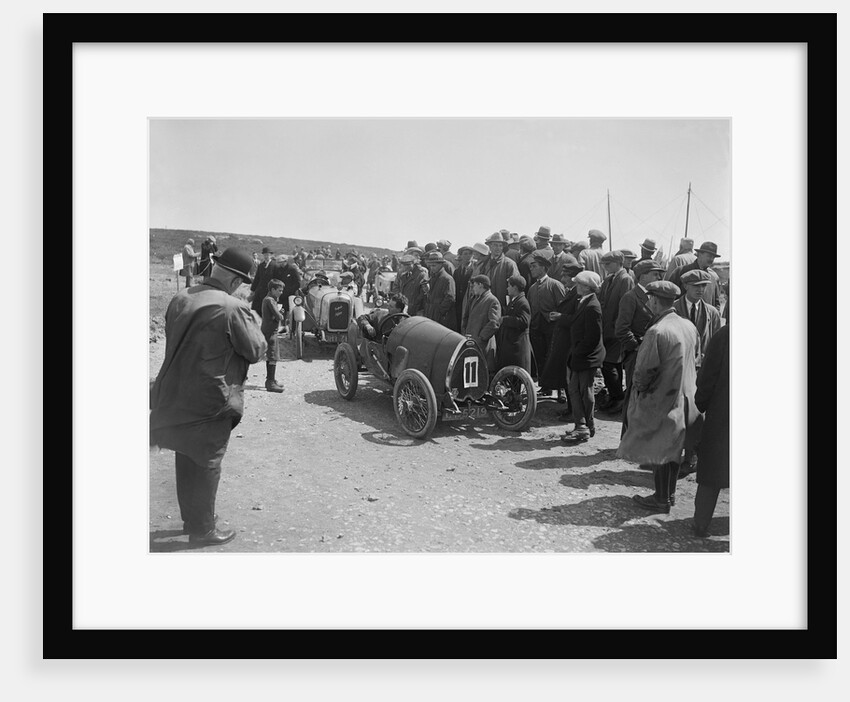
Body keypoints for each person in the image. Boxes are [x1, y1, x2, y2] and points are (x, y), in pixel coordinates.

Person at [150, 247, 267, 546]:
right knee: (207, 461)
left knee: (185, 455)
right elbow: (255, 350)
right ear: (235, 281)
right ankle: (202, 531)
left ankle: (195, 519)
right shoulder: (232, 307)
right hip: (211, 399)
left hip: (174, 394)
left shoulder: (181, 297)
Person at [617, 280, 700, 514]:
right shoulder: (687, 325)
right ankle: (669, 496)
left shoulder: (657, 331)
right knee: (674, 449)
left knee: (659, 449)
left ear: (654, 301)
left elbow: (643, 372)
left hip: (662, 399)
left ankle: (661, 499)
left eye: (650, 298)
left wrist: (639, 391)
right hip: (685, 397)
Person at [615, 259, 666, 432]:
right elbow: (621, 329)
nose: (658, 276)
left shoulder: (656, 296)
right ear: (643, 276)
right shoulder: (630, 297)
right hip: (636, 355)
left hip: (656, 353)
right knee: (633, 396)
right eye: (655, 273)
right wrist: (637, 347)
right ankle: (627, 437)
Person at [692, 323, 730, 538]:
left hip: (723, 415)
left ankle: (701, 523)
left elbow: (707, 376)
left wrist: (702, 403)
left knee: (712, 473)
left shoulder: (725, 335)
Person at [560, 271, 605, 444]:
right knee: (576, 389)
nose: (576, 287)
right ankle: (583, 425)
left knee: (583, 390)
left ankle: (584, 426)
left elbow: (593, 337)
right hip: (582, 354)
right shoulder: (585, 302)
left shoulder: (592, 306)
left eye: (579, 284)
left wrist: (578, 352)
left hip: (587, 356)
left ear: (587, 287)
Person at [540, 256, 583, 410]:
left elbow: (578, 319)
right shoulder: (571, 292)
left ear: (574, 277)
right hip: (565, 339)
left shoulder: (578, 295)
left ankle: (574, 411)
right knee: (566, 377)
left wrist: (560, 317)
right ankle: (571, 409)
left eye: (566, 276)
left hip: (571, 341)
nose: (562, 278)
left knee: (571, 379)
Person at [598, 250, 635, 414]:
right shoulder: (609, 279)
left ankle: (619, 398)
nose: (605, 267)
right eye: (604, 264)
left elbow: (624, 305)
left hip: (616, 328)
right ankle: (615, 396)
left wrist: (618, 326)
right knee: (613, 364)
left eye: (608, 264)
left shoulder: (625, 279)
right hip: (607, 328)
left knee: (609, 364)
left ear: (619, 263)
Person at [526, 251, 565, 397]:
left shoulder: (555, 285)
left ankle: (560, 389)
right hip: (537, 328)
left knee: (555, 357)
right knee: (540, 357)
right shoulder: (532, 288)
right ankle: (545, 386)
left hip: (552, 328)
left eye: (534, 266)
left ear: (543, 268)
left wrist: (556, 317)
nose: (532, 269)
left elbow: (563, 307)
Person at [667, 241, 723, 311]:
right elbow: (669, 295)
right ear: (699, 254)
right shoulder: (681, 271)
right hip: (682, 317)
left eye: (713, 257)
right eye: (709, 256)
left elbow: (716, 303)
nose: (711, 260)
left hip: (704, 319)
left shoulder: (713, 278)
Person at [464, 274, 501, 372]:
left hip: (484, 345)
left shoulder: (492, 300)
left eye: (475, 285)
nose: (473, 288)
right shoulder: (475, 298)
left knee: (485, 371)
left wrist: (481, 337)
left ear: (481, 285)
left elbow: (494, 323)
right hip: (473, 342)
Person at [495, 274, 532, 373]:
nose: (507, 288)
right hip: (511, 345)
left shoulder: (522, 302)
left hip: (516, 347)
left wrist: (505, 319)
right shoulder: (515, 301)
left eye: (509, 286)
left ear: (515, 287)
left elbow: (524, 322)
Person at [479, 232, 520, 313]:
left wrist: (509, 307)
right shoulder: (484, 263)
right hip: (484, 307)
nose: (498, 248)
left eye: (500, 245)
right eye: (495, 245)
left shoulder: (509, 264)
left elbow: (515, 288)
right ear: (490, 246)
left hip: (501, 307)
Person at [260, 279, 286, 393]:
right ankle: (270, 383)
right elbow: (279, 317)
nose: (281, 292)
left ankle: (271, 379)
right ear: (273, 289)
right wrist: (281, 313)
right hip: (270, 332)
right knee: (273, 356)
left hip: (270, 330)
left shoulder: (269, 299)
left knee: (272, 356)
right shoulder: (270, 301)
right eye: (279, 290)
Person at [422, 250, 457, 329]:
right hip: (432, 316)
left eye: (434, 265)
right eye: (430, 266)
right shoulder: (431, 278)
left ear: (441, 264)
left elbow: (450, 298)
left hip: (442, 319)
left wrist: (439, 312)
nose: (432, 268)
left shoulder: (447, 279)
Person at [249, 246, 279, 316]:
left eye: (268, 255)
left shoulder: (275, 266)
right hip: (260, 290)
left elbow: (277, 280)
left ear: (271, 255)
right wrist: (252, 290)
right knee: (257, 308)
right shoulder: (261, 265)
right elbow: (257, 278)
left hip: (269, 291)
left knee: (268, 309)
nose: (266, 256)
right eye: (265, 255)